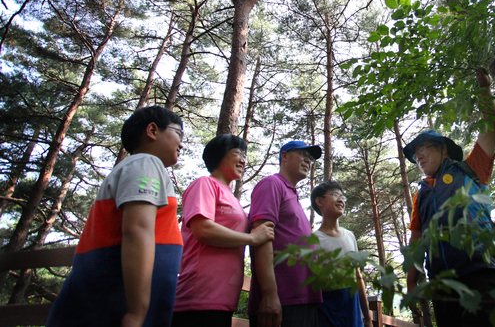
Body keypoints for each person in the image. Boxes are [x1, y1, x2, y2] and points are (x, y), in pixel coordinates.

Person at [47, 106, 185, 327]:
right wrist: (137, 312)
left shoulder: (138, 165)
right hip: (119, 302)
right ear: (152, 130)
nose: (182, 144)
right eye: (178, 134)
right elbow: (137, 229)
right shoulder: (146, 163)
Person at [404, 69, 495, 327]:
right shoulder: (421, 195)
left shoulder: (470, 170)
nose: (419, 157)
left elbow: (490, 125)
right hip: (441, 285)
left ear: (443, 149)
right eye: (416, 155)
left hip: (480, 272)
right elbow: (416, 241)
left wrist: (485, 91)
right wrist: (411, 283)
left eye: (423, 149)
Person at [171, 134, 275, 327]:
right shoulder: (205, 184)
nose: (244, 160)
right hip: (198, 298)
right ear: (219, 154)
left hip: (223, 301)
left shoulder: (233, 200)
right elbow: (203, 229)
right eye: (238, 153)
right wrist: (252, 238)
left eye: (245, 155)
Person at [248, 140, 323, 327]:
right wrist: (269, 295)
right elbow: (262, 236)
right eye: (303, 155)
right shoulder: (272, 184)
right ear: (285, 156)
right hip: (282, 300)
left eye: (311, 159)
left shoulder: (294, 196)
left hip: (304, 299)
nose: (308, 161)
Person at [311, 181, 372, 327]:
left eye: (342, 196)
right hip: (327, 317)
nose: (341, 200)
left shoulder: (349, 237)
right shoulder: (313, 240)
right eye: (335, 195)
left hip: (354, 316)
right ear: (319, 201)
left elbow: (358, 277)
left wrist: (368, 318)